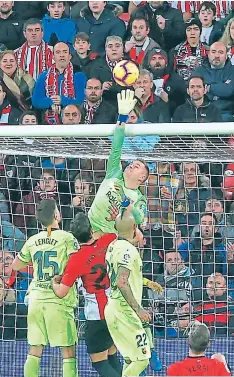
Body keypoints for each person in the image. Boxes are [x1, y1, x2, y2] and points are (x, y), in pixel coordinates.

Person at [12, 199, 83, 377]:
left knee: (34, 351)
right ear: (57, 216)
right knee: (68, 353)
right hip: (58, 302)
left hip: (35, 300)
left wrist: (37, 271)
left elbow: (16, 265)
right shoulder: (67, 238)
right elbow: (75, 264)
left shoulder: (32, 240)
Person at [52, 212, 123, 377]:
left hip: (97, 315)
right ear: (92, 230)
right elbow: (116, 232)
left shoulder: (76, 258)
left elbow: (61, 292)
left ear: (74, 238)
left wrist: (54, 282)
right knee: (111, 353)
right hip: (117, 307)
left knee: (99, 361)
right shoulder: (109, 240)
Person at [104, 209, 151, 377]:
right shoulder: (129, 251)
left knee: (133, 360)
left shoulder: (113, 246)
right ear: (134, 228)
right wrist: (138, 309)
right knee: (142, 360)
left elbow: (124, 278)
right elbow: (122, 282)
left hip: (112, 307)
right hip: (124, 311)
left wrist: (148, 282)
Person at [88, 89, 149, 242]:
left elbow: (140, 218)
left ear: (142, 177)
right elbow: (116, 147)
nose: (131, 166)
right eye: (132, 163)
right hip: (89, 232)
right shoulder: (114, 173)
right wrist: (122, 117)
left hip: (112, 241)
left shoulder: (139, 199)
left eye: (137, 166)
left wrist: (127, 204)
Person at [32, 42, 87, 125]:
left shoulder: (79, 75)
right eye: (58, 52)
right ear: (53, 57)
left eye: (65, 52)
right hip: (48, 124)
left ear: (70, 56)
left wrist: (63, 100)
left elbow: (82, 100)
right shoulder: (43, 77)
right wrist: (51, 102)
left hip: (74, 122)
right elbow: (36, 101)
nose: (62, 55)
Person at [167, 322, 231, 376]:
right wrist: (224, 364)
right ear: (208, 344)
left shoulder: (174, 369)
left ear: (188, 341)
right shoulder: (218, 366)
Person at [193, 41, 234, 121]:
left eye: (221, 52)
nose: (217, 56)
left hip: (225, 113)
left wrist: (209, 87)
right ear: (208, 54)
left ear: (226, 56)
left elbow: (228, 90)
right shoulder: (199, 71)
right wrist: (222, 85)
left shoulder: (232, 71)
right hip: (203, 112)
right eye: (214, 52)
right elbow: (195, 92)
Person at [143, 47, 186, 116]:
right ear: (148, 64)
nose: (157, 61)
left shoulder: (176, 80)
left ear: (166, 63)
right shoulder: (143, 80)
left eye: (160, 58)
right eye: (153, 58)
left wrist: (169, 101)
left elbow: (183, 106)